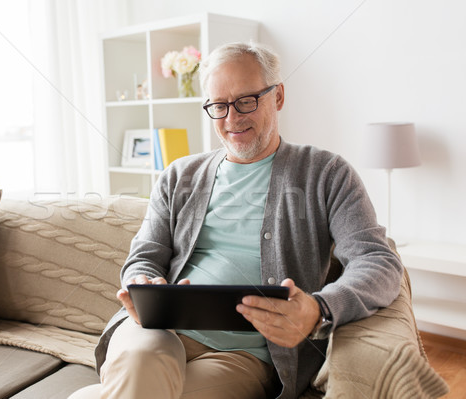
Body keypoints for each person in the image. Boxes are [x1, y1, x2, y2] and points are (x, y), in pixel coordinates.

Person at [70, 42, 403, 399]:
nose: (232, 118)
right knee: (140, 363)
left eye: (246, 100)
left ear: (278, 96)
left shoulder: (327, 174)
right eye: (219, 105)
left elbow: (378, 262)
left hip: (245, 355)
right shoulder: (179, 175)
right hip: (158, 331)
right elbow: (144, 255)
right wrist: (142, 282)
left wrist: (319, 310)